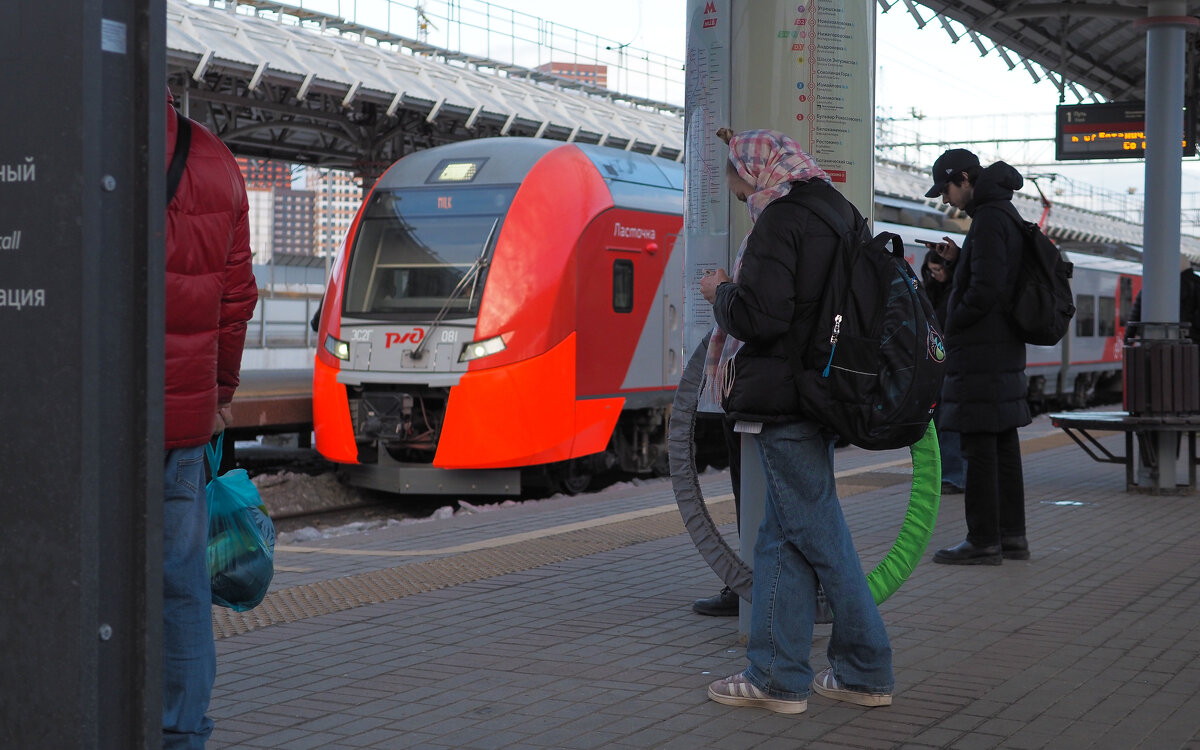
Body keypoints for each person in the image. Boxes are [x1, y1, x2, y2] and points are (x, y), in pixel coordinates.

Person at [699, 128, 893, 714]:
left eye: (734, 176)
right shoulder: (841, 211)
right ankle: (778, 677)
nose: (734, 190)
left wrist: (720, 292)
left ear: (754, 168)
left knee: (817, 533)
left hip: (786, 393)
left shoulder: (779, 220)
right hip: (828, 390)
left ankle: (865, 666)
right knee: (777, 536)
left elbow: (763, 315)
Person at [163, 87, 259, 748]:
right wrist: (218, 393)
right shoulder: (217, 161)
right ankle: (180, 730)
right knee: (180, 585)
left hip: (84, 416)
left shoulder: (71, 128)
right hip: (183, 424)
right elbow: (236, 298)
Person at [922, 148, 1031, 565]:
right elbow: (994, 274)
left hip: (981, 352)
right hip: (1000, 348)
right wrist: (960, 260)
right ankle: (1012, 536)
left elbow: (985, 289)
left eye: (947, 188)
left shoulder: (987, 219)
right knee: (1003, 443)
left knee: (978, 446)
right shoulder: (1002, 213)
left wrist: (952, 321)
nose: (946, 199)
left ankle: (983, 539)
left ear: (964, 178)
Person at [919, 249, 965, 495]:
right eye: (931, 271)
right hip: (936, 362)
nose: (935, 275)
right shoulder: (930, 290)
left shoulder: (958, 290)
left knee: (950, 419)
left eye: (939, 270)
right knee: (936, 419)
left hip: (954, 362)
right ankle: (943, 475)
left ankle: (955, 476)